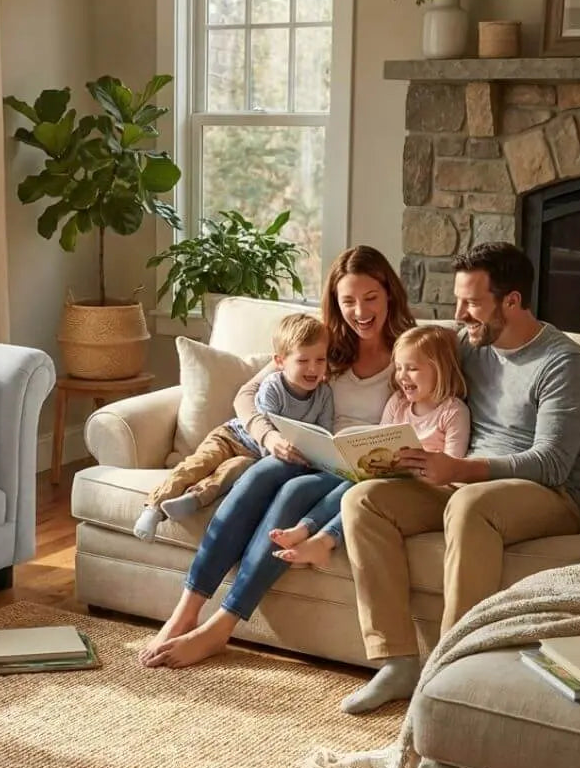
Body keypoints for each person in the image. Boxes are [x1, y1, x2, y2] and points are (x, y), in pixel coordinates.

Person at [339, 242, 580, 713]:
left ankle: (448, 670)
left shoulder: (563, 363)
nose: (459, 315)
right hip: (462, 480)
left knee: (469, 505)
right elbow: (412, 357)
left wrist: (459, 470)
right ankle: (397, 663)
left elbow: (552, 461)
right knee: (364, 500)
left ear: (511, 301)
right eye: (458, 302)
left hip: (547, 493)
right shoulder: (471, 344)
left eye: (471, 303)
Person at [139, 245, 416, 668]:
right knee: (259, 475)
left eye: (370, 298)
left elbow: (430, 410)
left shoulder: (408, 352)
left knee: (290, 495)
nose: (360, 311)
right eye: (348, 301)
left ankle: (221, 626)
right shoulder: (323, 345)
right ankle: (186, 611)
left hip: (353, 470)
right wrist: (268, 437)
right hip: (305, 452)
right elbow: (246, 395)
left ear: (389, 294)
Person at [270, 324, 471, 569]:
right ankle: (305, 528)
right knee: (350, 484)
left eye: (412, 369)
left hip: (424, 489)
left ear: (440, 369)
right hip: (387, 478)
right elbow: (378, 439)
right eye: (398, 368)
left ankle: (323, 541)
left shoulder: (453, 411)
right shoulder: (398, 403)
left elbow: (453, 467)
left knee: (363, 494)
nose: (402, 376)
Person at [134, 314, 333, 542]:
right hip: (232, 437)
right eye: (303, 360)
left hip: (254, 458)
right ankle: (153, 507)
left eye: (321, 360)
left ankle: (192, 500)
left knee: (230, 472)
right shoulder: (272, 387)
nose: (313, 368)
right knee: (199, 464)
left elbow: (324, 433)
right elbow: (265, 428)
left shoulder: (324, 394)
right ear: (280, 361)